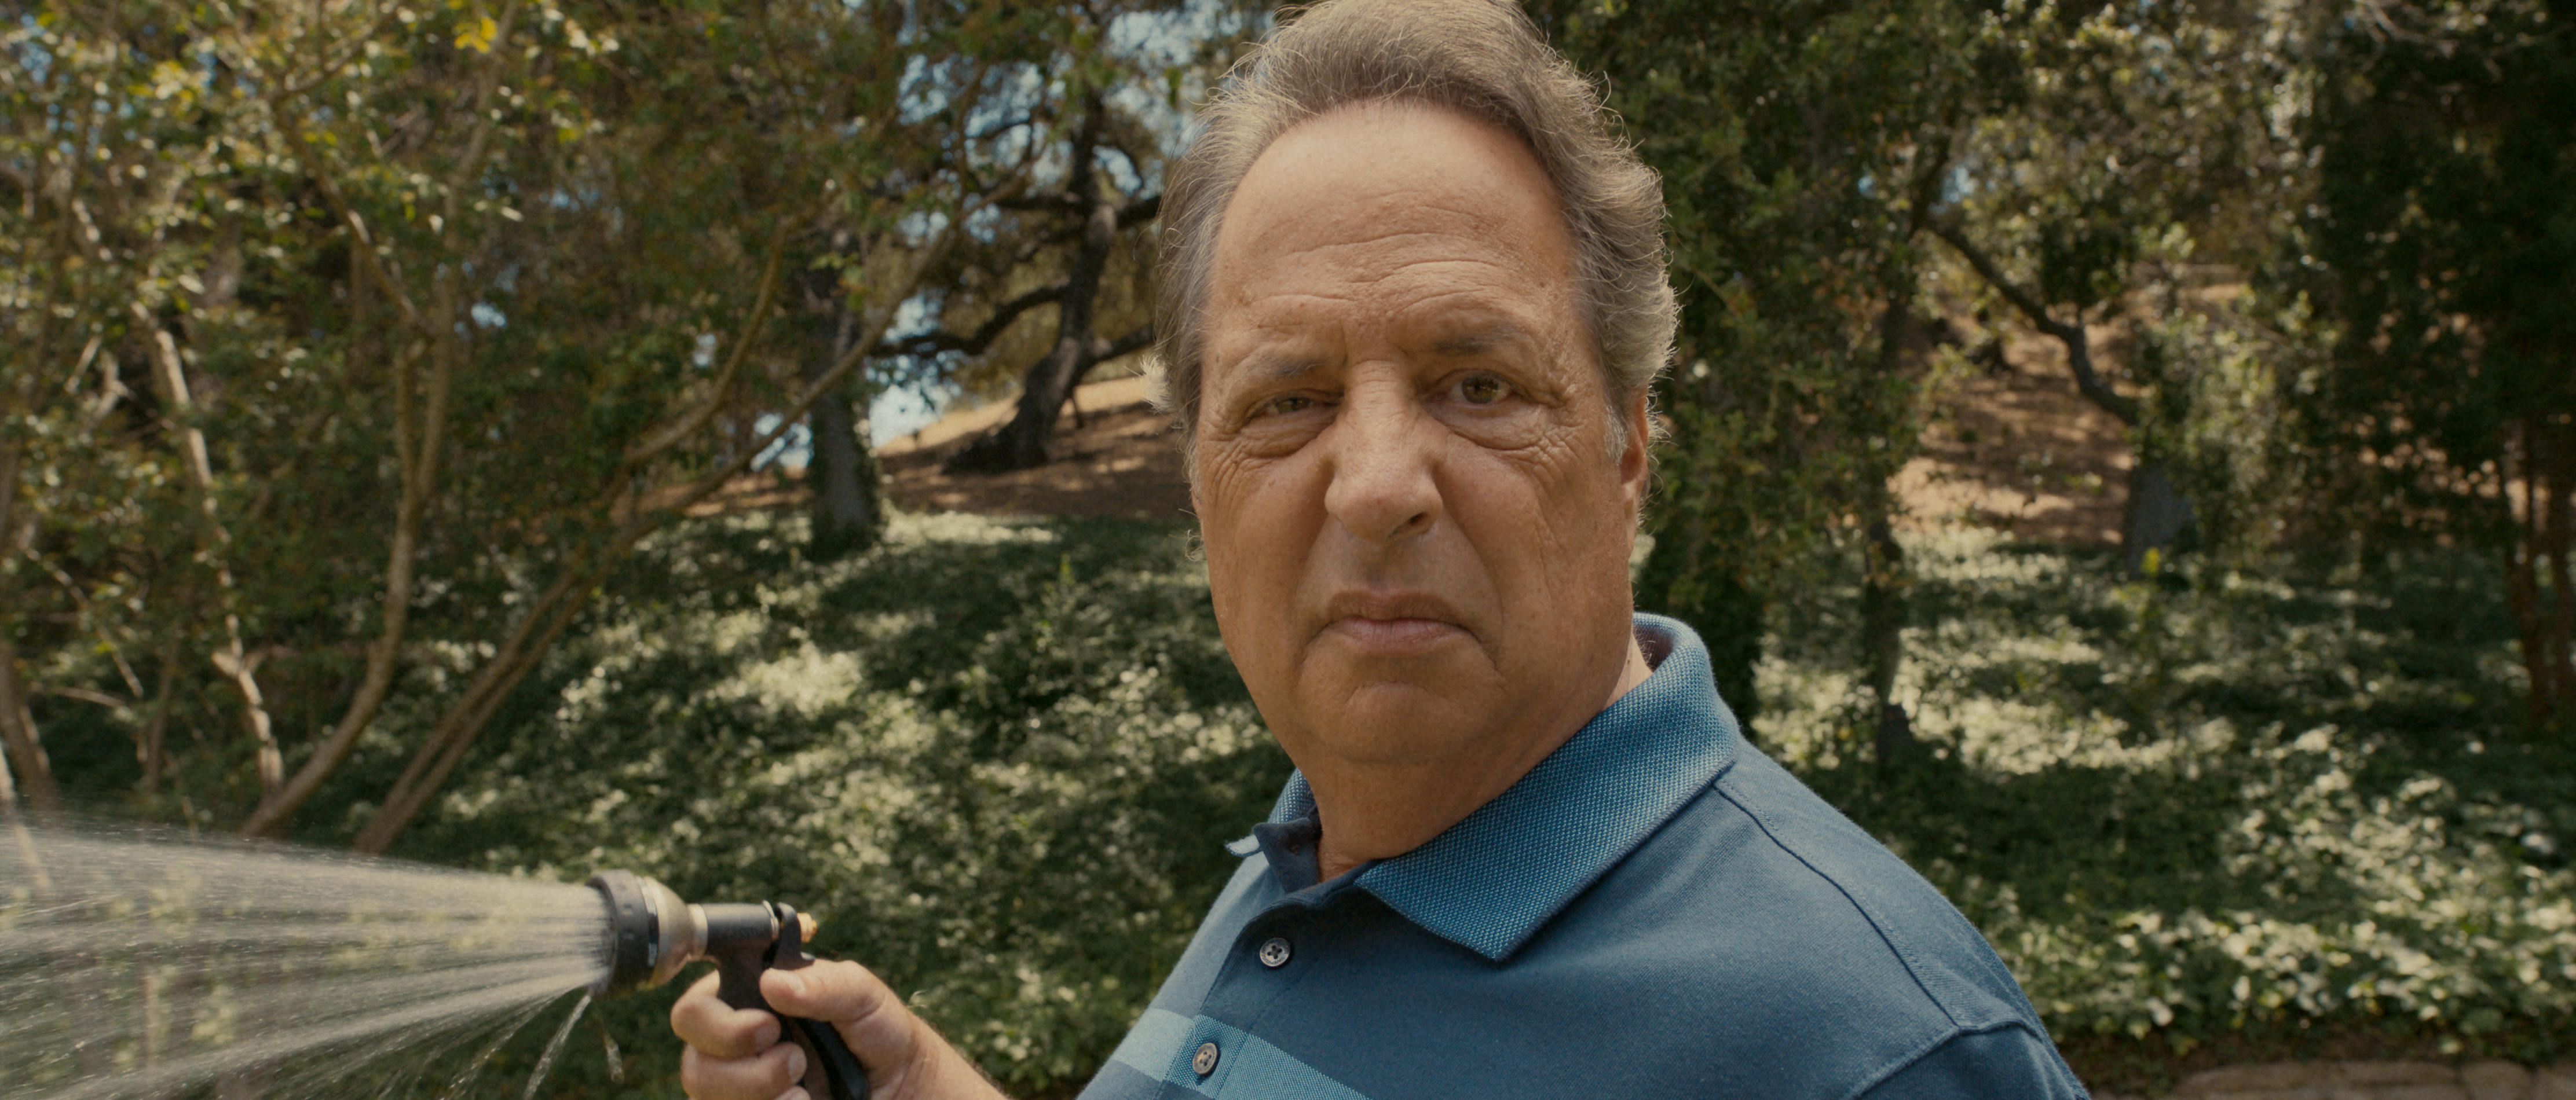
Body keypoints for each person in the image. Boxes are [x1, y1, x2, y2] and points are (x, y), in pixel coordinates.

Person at [672, 1, 2093, 1097]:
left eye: (1478, 383)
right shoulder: (1315, 857)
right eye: (1285, 402)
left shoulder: (1878, 1050)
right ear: (1199, 481)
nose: (1373, 485)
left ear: (1627, 448)